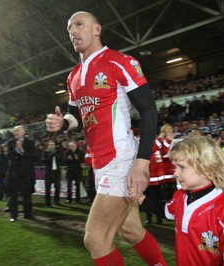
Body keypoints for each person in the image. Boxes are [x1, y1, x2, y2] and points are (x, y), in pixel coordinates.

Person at [45, 11, 166, 265]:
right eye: (69, 29)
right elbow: (75, 114)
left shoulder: (118, 62)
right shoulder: (74, 76)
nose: (73, 32)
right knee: (131, 230)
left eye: (79, 25)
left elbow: (148, 109)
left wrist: (142, 162)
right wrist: (62, 124)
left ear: (97, 29)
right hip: (101, 162)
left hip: (121, 159)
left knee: (96, 239)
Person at [164, 136, 224, 265]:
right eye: (175, 167)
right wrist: (139, 198)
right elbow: (165, 211)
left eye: (181, 167)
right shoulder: (179, 196)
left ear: (206, 170)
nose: (176, 173)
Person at [6, 126, 39, 222]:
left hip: (26, 174)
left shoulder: (30, 143)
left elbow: (36, 157)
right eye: (14, 131)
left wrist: (23, 151)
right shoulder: (10, 143)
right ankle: (13, 216)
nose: (15, 132)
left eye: (17, 130)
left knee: (27, 195)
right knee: (13, 196)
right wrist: (17, 150)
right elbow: (9, 156)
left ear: (23, 132)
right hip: (14, 174)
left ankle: (28, 214)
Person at [42, 139, 63, 207]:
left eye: (53, 145)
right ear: (48, 146)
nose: (52, 146)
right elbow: (43, 161)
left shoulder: (58, 152)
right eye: (50, 145)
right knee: (47, 188)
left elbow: (62, 160)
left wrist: (57, 156)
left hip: (56, 172)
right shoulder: (45, 152)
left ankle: (56, 201)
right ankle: (47, 202)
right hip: (49, 172)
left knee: (57, 187)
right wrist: (50, 156)